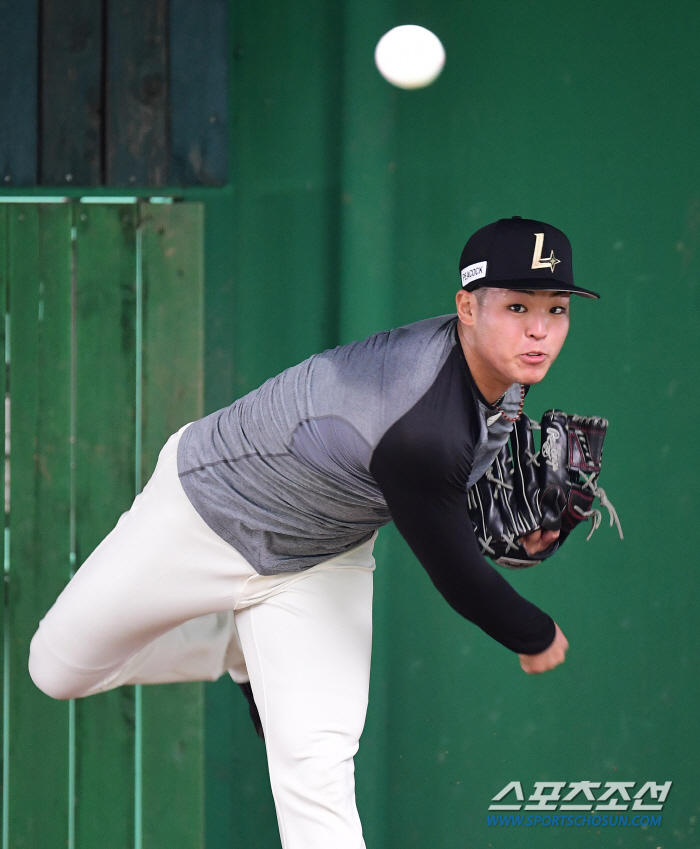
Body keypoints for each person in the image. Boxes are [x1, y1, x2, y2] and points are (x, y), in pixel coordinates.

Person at [29, 216, 599, 849]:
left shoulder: (497, 379)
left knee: (317, 775)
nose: (539, 329)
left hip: (322, 554)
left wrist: (510, 533)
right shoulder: (421, 423)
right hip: (207, 510)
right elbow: (459, 576)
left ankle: (251, 645)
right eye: (516, 306)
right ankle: (234, 644)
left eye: (556, 308)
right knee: (55, 669)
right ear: (466, 307)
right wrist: (532, 632)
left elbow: (443, 485)